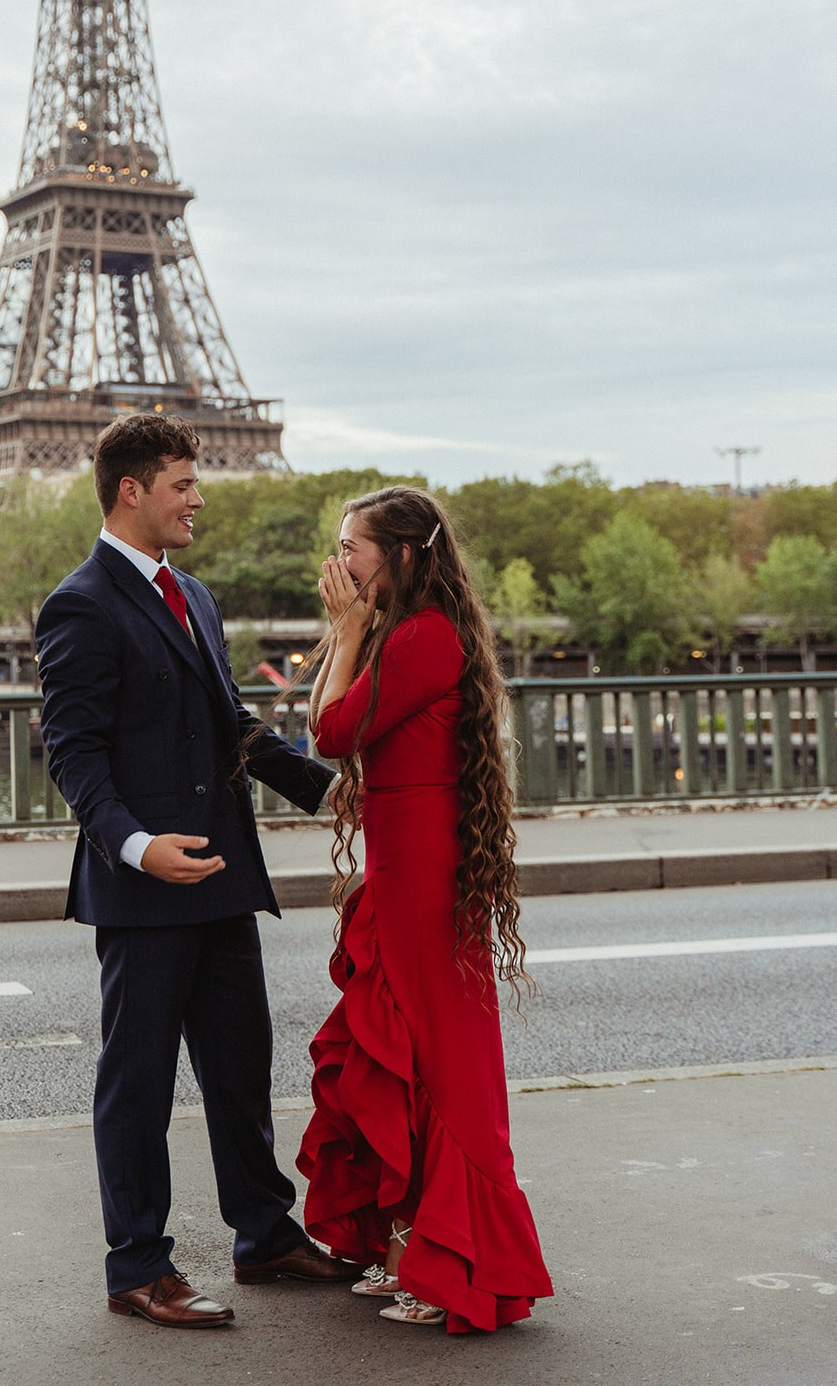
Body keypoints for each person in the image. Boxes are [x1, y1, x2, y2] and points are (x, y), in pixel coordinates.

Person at [36, 413, 357, 1331]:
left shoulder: (195, 596)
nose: (198, 500)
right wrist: (137, 846)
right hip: (145, 883)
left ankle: (263, 1235)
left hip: (218, 870)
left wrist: (327, 789)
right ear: (131, 490)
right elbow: (73, 752)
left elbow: (231, 723)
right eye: (182, 485)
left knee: (240, 1067)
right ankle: (138, 1266)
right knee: (136, 1084)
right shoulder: (80, 603)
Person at [297, 486, 553, 1334]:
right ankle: (412, 1244)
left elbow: (332, 735)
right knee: (400, 1047)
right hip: (401, 864)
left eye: (352, 548)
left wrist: (344, 634)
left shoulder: (423, 637)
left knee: (435, 1057)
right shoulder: (408, 632)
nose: (339, 563)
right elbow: (327, 727)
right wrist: (350, 633)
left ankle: (457, 1266)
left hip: (419, 872)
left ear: (402, 555)